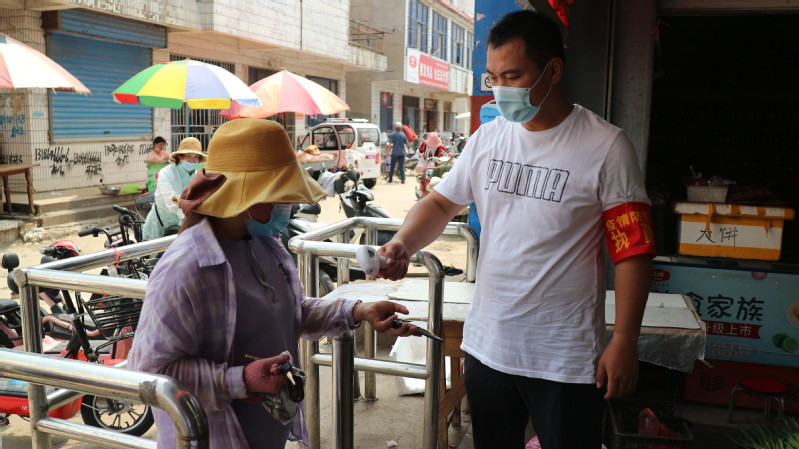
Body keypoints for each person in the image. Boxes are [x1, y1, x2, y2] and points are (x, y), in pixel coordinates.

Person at [378, 10, 655, 449]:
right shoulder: (488, 139)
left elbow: (632, 250)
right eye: (494, 78)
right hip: (489, 346)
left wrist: (624, 340)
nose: (502, 89)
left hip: (564, 356)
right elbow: (441, 203)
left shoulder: (606, 146)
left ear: (553, 70)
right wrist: (403, 242)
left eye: (513, 76)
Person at [128, 119, 417, 449]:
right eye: (280, 196)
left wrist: (358, 311)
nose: (288, 207)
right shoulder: (187, 268)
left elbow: (290, 311)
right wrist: (240, 379)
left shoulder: (264, 243)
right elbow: (152, 373)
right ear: (247, 196)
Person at [141, 137, 206, 240]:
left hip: (187, 223)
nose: (192, 160)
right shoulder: (166, 173)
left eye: (196, 157)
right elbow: (172, 198)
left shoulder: (198, 176)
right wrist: (186, 210)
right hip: (162, 224)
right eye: (188, 156)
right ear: (180, 157)